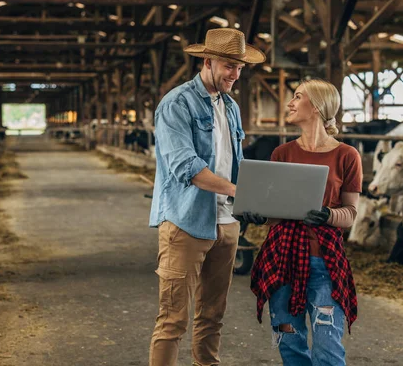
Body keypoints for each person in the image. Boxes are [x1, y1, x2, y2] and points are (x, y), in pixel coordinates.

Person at [148, 28, 265, 366]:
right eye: (229, 65)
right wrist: (237, 191)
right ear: (208, 61)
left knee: (213, 315)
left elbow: (237, 162)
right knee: (173, 320)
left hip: (227, 223)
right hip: (186, 222)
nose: (236, 74)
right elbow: (186, 166)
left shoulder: (230, 107)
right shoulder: (176, 103)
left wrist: (251, 201)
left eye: (240, 67)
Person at [246, 79, 361, 366]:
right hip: (282, 258)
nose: (290, 103)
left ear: (318, 107)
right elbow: (276, 212)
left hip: (324, 263)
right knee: (289, 340)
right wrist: (258, 215)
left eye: (298, 97)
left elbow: (350, 213)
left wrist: (328, 215)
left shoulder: (346, 155)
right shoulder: (281, 154)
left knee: (327, 343)